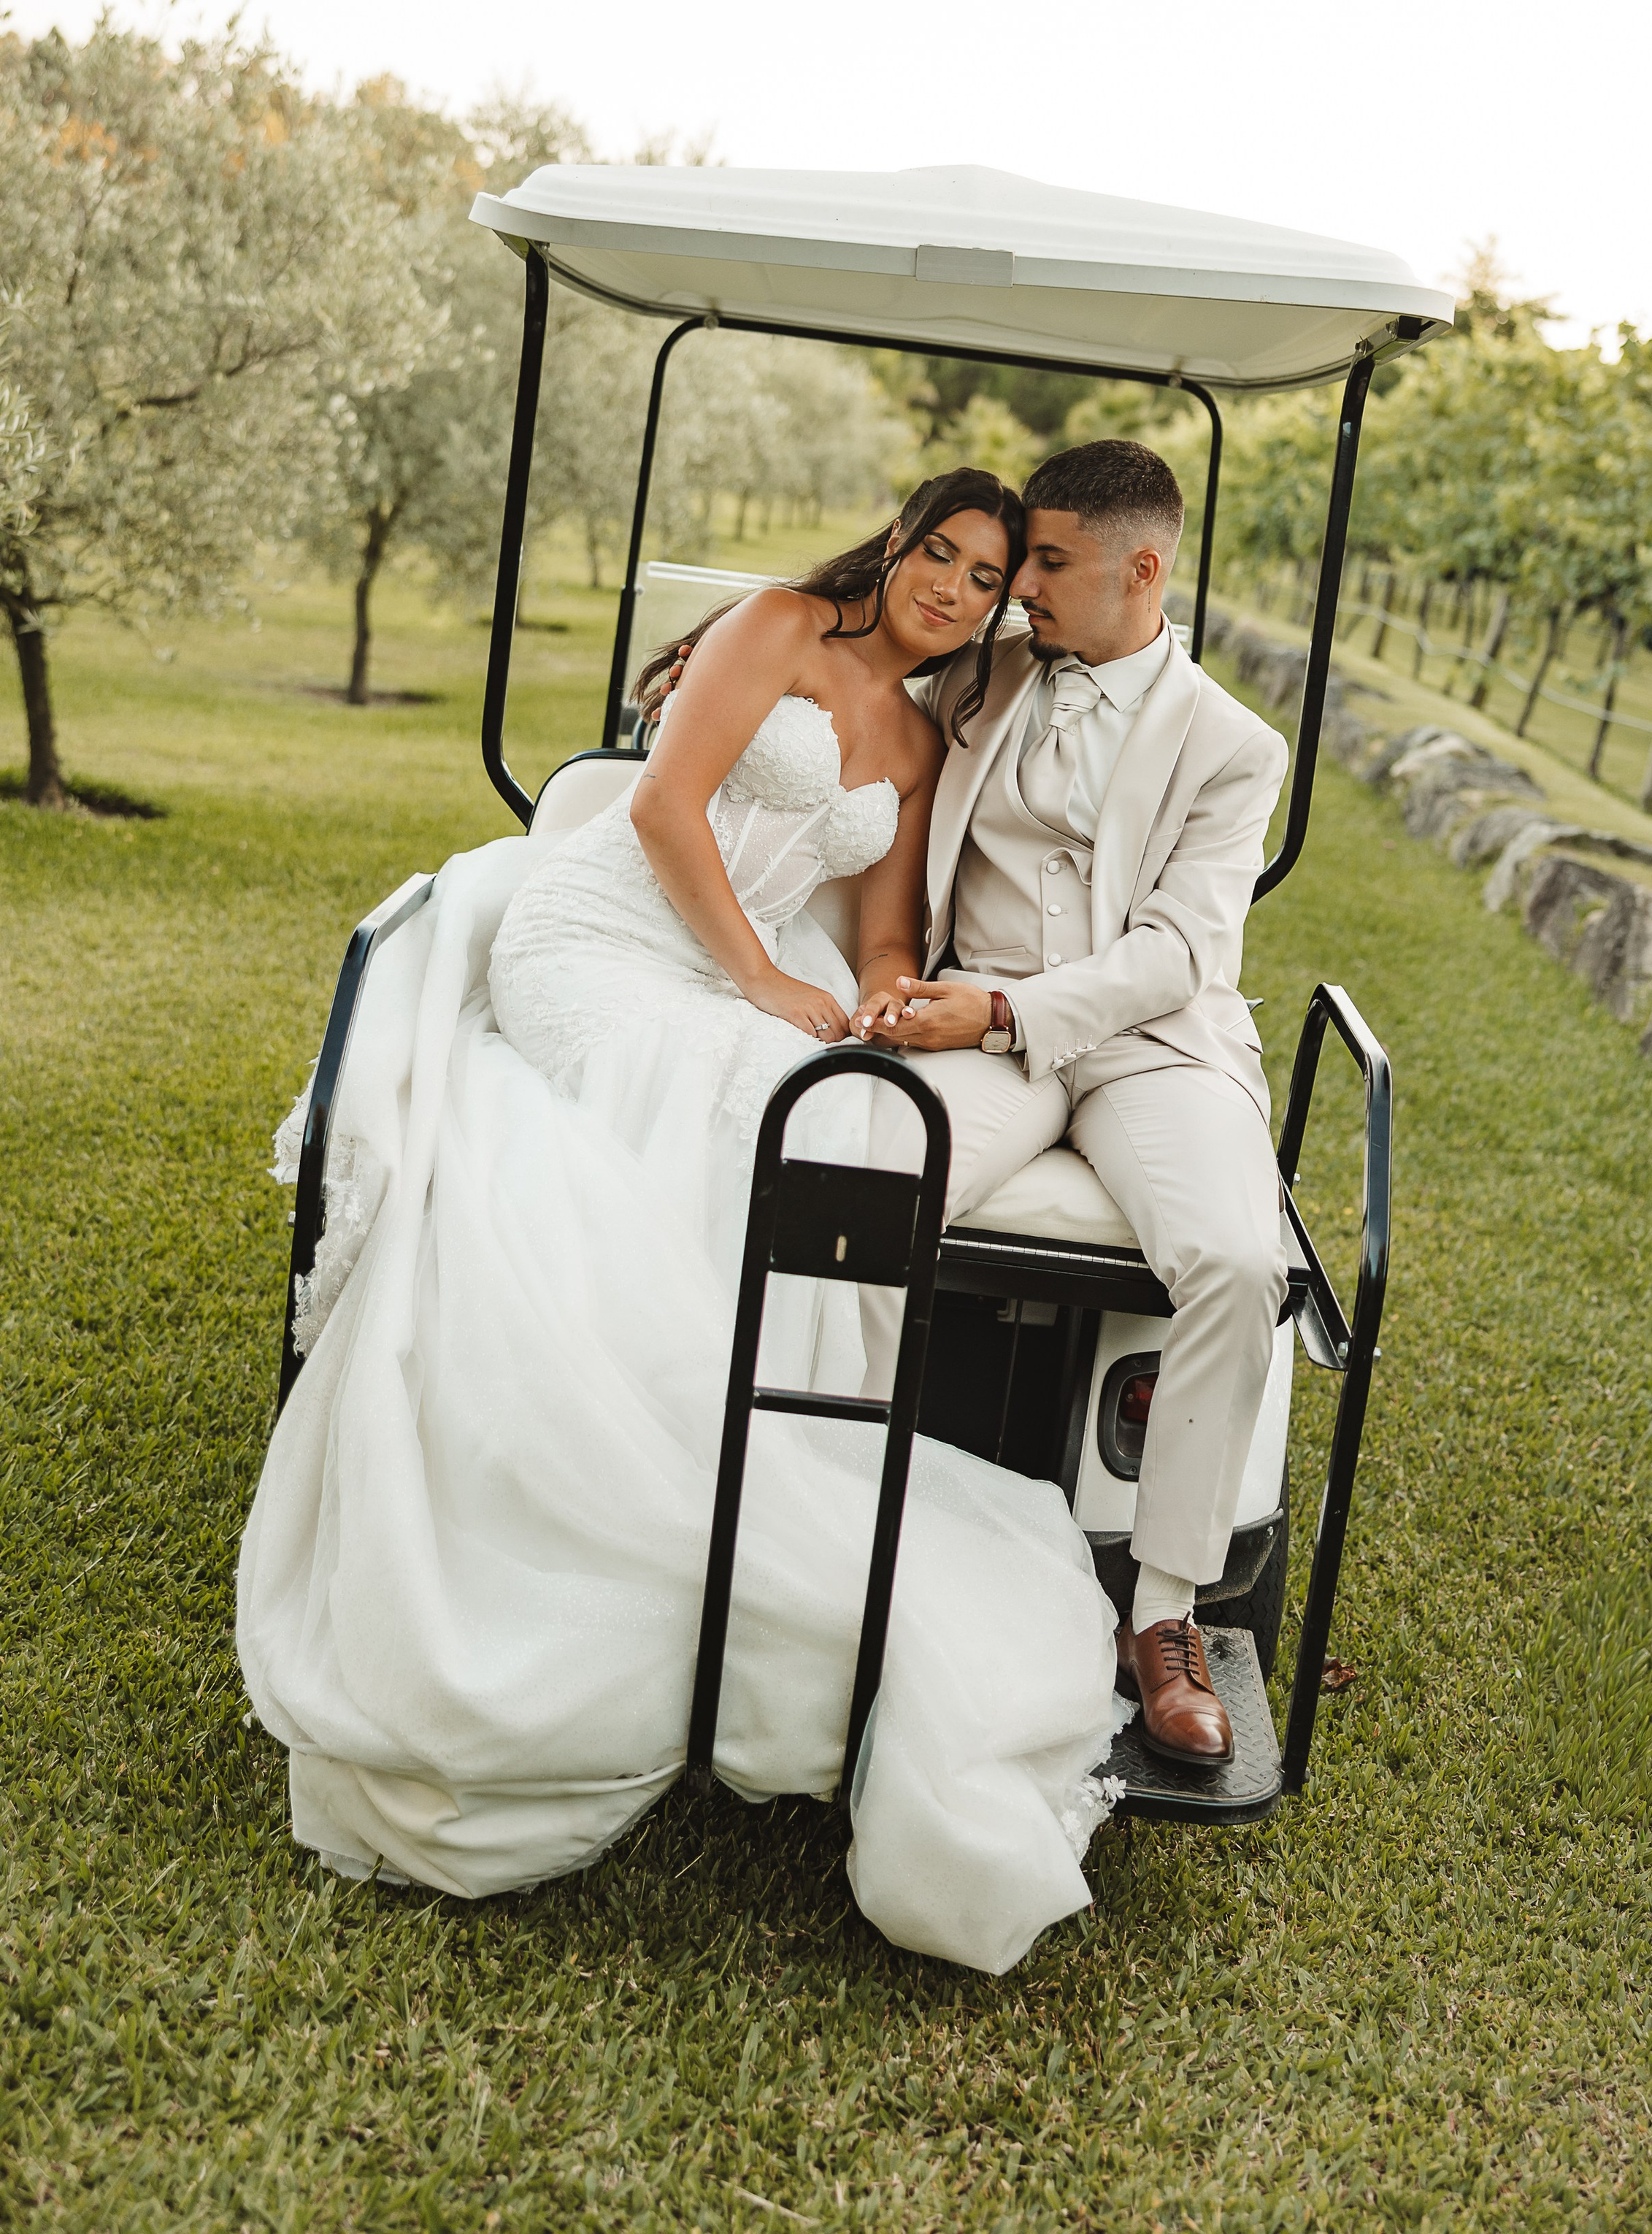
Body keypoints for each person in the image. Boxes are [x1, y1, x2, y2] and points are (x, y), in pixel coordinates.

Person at [238, 470, 1123, 1977]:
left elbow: (884, 923)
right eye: (942, 555)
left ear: (992, 608)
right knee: (718, 1087)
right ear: (897, 546)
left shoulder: (915, 739)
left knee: (836, 1115)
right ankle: (620, 1455)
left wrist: (874, 1001)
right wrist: (763, 986)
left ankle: (751, 1431)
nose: (954, 590)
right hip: (606, 940)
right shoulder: (777, 626)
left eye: (985, 579)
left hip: (746, 970)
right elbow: (658, 808)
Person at [853, 439, 1290, 1769]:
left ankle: (1162, 1615)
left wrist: (998, 1013)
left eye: (1045, 563)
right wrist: (719, 665)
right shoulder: (987, 667)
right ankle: (844, 1528)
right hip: (974, 1028)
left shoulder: (1233, 746)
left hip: (1143, 1045)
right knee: (863, 1197)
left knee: (1231, 1260)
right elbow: (849, 649)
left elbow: (1176, 953)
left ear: (1139, 569)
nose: (1015, 586)